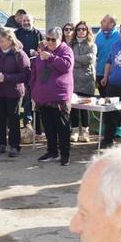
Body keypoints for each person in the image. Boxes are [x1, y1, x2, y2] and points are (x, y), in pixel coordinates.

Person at [30, 27, 74, 166]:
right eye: (47, 39)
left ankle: (65, 155)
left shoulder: (66, 50)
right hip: (43, 95)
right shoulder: (42, 50)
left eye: (53, 39)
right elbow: (35, 72)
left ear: (60, 39)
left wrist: (51, 57)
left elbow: (66, 66)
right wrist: (33, 90)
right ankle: (52, 151)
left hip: (59, 95)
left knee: (62, 127)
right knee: (48, 126)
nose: (49, 42)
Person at [0, 29, 30, 157]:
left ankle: (14, 146)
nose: (0, 43)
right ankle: (0, 144)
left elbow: (26, 75)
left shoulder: (20, 54)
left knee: (14, 119)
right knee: (0, 118)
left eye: (3, 41)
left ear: (10, 40)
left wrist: (7, 78)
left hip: (14, 92)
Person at [15, 13, 44, 130]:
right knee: (19, 95)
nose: (26, 23)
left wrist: (37, 53)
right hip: (18, 68)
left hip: (33, 69)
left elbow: (42, 50)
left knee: (30, 95)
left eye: (28, 21)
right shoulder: (16, 34)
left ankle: (28, 120)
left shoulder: (38, 34)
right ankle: (16, 120)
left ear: (33, 21)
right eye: (24, 21)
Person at [70, 21, 97, 142]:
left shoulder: (92, 44)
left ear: (87, 31)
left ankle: (85, 131)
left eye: (84, 29)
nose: (81, 31)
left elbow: (90, 59)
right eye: (79, 29)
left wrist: (76, 59)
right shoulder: (71, 44)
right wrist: (79, 60)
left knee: (85, 107)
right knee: (74, 107)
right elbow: (69, 60)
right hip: (73, 79)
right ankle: (75, 130)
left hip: (87, 80)